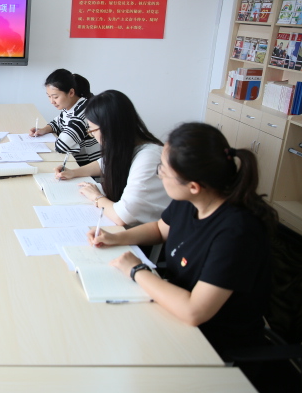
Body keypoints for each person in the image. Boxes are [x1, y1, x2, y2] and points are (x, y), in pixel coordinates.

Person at [90, 122, 276, 383]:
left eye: (163, 171)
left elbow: (194, 311)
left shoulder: (237, 233)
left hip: (211, 342)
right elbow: (160, 229)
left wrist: (137, 270)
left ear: (193, 185)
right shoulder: (191, 200)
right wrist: (117, 237)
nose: (159, 175)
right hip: (172, 309)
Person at [55, 90, 170, 227]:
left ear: (110, 128)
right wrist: (74, 172)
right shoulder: (127, 145)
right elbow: (104, 163)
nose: (93, 136)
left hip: (142, 231)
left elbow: (122, 216)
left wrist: (96, 197)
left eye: (92, 131)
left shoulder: (149, 157)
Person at [29, 69, 101, 166]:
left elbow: (62, 146)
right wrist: (43, 130)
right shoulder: (72, 106)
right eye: (49, 96)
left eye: (55, 97)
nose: (52, 101)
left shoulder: (82, 113)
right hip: (76, 160)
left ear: (71, 92)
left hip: (88, 164)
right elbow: (57, 123)